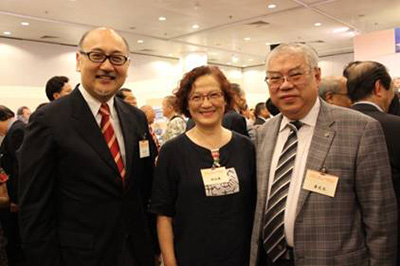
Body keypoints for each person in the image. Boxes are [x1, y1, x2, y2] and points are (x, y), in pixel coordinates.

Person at [18, 27, 156, 266]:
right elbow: (34, 207)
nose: (107, 66)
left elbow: (144, 190)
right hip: (78, 256)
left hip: (135, 252)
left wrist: (152, 247)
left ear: (127, 65)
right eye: (96, 55)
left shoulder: (136, 118)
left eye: (117, 58)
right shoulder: (48, 120)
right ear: (78, 60)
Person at [250, 43, 397, 266]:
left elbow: (380, 219)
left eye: (295, 75)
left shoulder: (360, 129)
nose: (286, 85)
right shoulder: (264, 133)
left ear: (316, 76)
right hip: (270, 258)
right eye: (275, 78)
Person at [150, 65, 256, 266]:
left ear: (225, 99)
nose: (206, 104)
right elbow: (164, 214)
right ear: (186, 104)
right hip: (190, 257)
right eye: (196, 97)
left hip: (241, 258)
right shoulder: (172, 152)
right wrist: (170, 263)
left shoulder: (246, 147)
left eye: (213, 95)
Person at [346, 60, 400, 264]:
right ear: (379, 87)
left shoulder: (330, 128)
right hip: (390, 236)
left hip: (345, 241)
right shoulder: (395, 127)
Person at [0, 105, 26, 266]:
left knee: (15, 241)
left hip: (16, 200)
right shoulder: (14, 131)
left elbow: (19, 167)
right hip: (12, 199)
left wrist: (16, 198)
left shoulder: (17, 131)